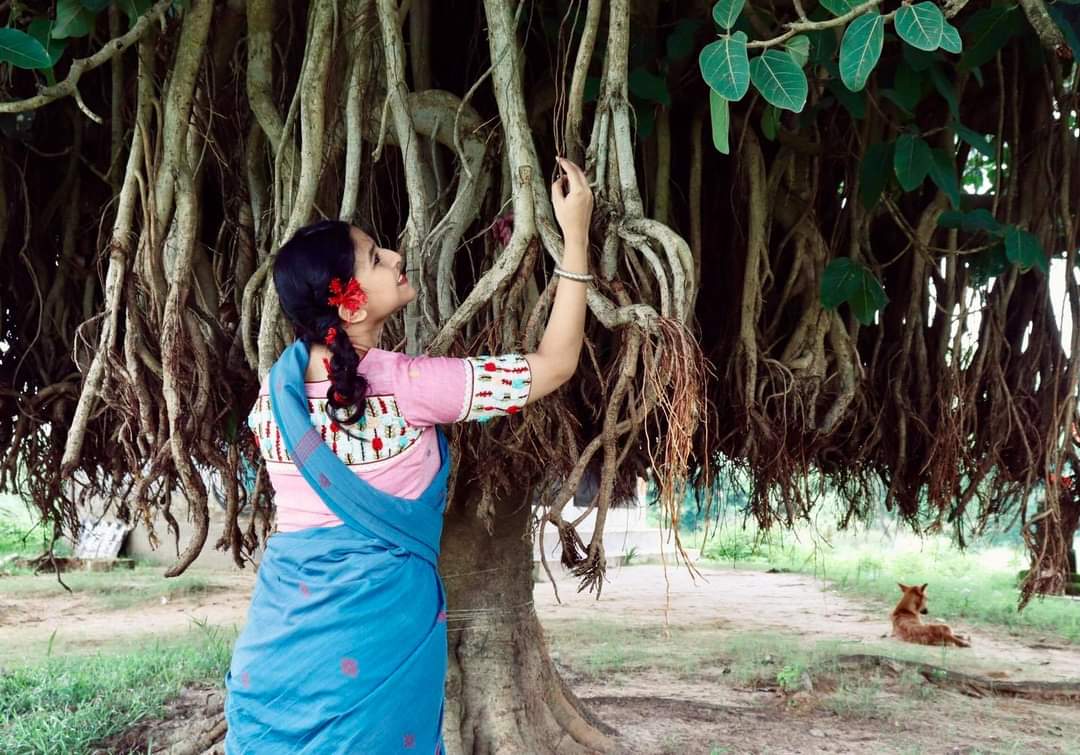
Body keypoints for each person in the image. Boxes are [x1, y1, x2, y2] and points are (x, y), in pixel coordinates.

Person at [224, 157, 594, 753]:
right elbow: (557, 365)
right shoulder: (411, 386)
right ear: (349, 305)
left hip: (278, 652)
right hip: (382, 638)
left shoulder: (272, 398)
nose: (396, 256)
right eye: (375, 258)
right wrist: (575, 236)